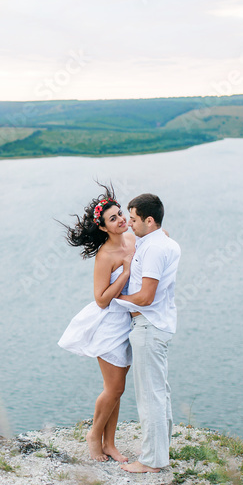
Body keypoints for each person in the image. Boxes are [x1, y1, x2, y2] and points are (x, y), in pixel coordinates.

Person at [58, 183, 136, 463]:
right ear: (103, 228)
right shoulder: (105, 256)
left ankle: (110, 443)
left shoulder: (132, 240)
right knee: (112, 388)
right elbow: (101, 300)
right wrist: (125, 274)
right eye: (113, 218)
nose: (121, 220)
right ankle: (94, 437)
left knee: (118, 388)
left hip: (129, 323)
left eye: (120, 214)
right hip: (109, 324)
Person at [113, 193, 181, 473]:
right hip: (158, 326)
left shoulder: (154, 249)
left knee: (149, 395)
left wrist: (115, 301)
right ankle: (159, 451)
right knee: (159, 392)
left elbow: (146, 297)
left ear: (149, 220)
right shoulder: (164, 241)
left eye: (133, 219)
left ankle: (151, 461)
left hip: (148, 326)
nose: (129, 224)